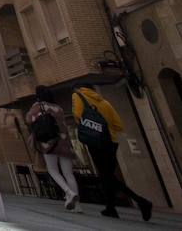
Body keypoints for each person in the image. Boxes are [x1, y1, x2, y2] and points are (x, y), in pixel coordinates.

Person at [73, 84, 153, 220]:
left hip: (95, 141)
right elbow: (118, 125)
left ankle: (141, 201)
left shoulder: (78, 95)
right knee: (108, 175)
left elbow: (77, 115)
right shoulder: (105, 103)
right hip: (111, 141)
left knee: (107, 176)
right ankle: (111, 208)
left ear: (80, 89)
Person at [27, 85, 78, 211]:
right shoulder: (58, 108)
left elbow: (29, 119)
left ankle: (68, 193)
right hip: (65, 142)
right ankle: (78, 205)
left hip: (49, 142)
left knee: (52, 169)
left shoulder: (37, 108)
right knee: (69, 174)